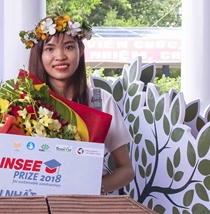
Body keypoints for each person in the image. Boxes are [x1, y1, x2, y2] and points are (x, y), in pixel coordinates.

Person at [24, 13, 135, 194]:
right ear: (39, 55)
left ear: (81, 49)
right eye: (50, 49)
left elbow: (126, 170)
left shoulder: (100, 101)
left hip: (84, 207)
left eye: (69, 47)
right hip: (36, 204)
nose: (60, 56)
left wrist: (95, 188)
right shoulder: (24, 103)